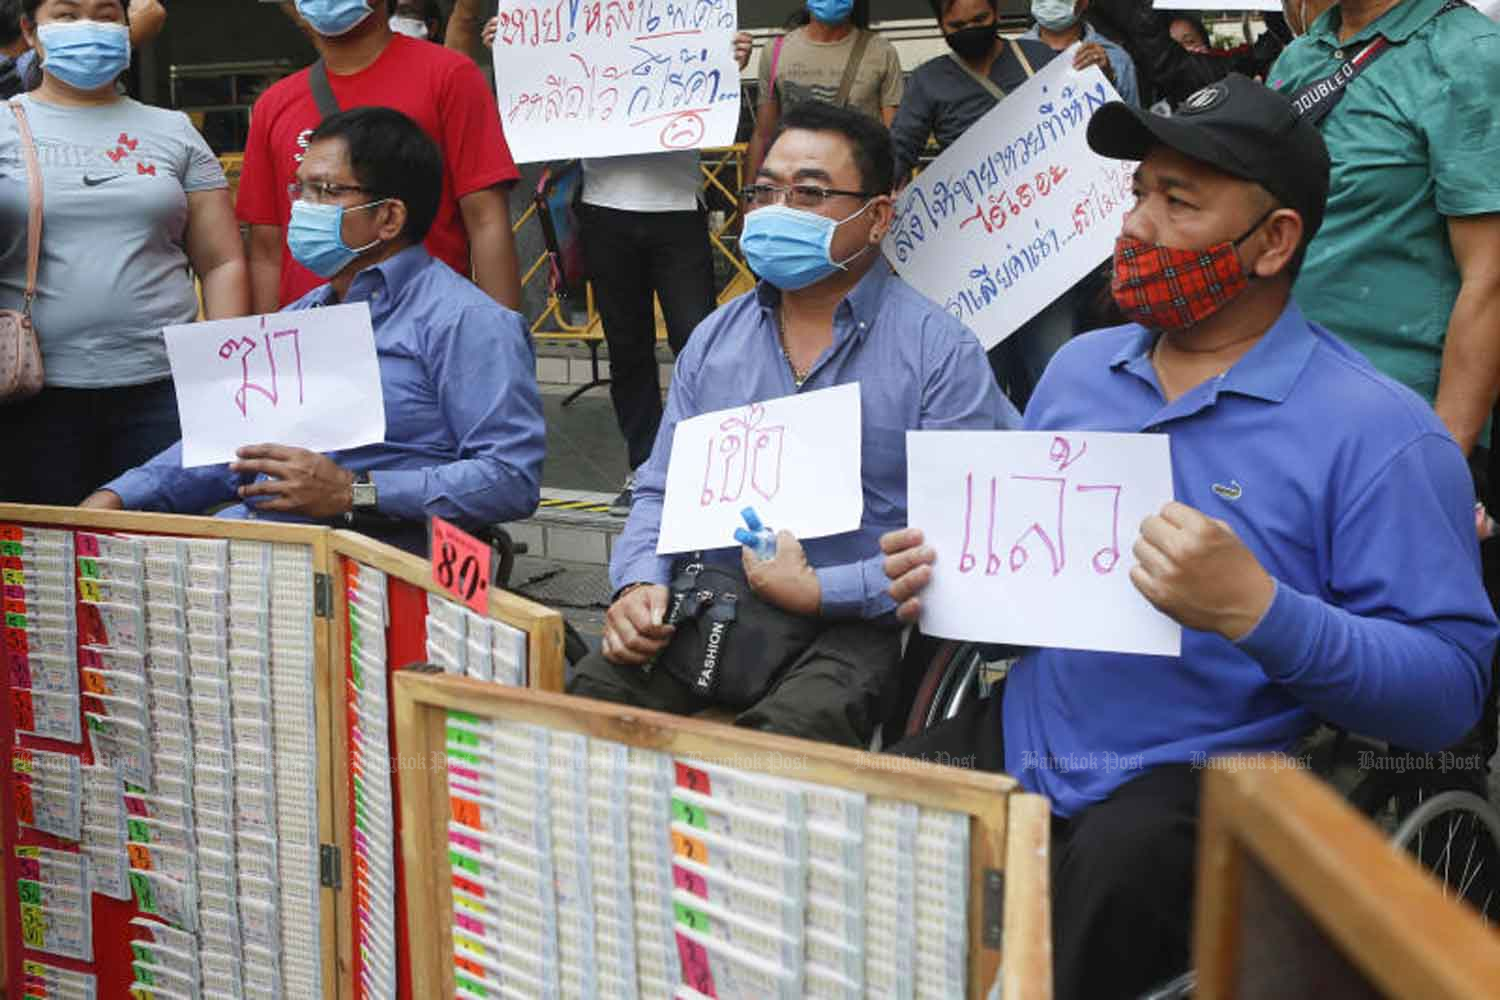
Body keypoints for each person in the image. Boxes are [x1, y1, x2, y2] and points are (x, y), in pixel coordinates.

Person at [881, 76, 1496, 999]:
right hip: (1029, 737)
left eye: (1178, 201)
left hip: (1211, 777)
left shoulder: (1380, 434)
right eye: (1136, 193)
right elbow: (1034, 598)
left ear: (1274, 241)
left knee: (1104, 896)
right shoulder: (1079, 373)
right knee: (859, 829)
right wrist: (951, 580)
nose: (1134, 226)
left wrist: (1260, 613)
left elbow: (1448, 694)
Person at [569, 102, 1017, 748]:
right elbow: (660, 490)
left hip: (857, 623)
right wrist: (639, 582)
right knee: (582, 719)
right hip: (712, 600)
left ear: (878, 218)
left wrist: (821, 589)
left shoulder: (939, 354)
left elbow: (963, 540)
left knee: (780, 758)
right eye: (764, 191)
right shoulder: (713, 343)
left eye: (808, 193)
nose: (777, 212)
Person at [84, 107, 545, 556]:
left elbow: (510, 478)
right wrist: (120, 495)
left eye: (326, 191)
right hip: (258, 553)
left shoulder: (466, 321)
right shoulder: (305, 316)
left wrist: (354, 491)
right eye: (300, 189)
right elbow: (230, 443)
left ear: (389, 217)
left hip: (381, 570)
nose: (304, 208)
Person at [478, 19, 755, 518]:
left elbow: (713, 92)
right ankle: (646, 467)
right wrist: (517, 43)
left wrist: (725, 55)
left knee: (697, 345)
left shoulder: (682, 23)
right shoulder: (584, 25)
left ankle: (703, 465)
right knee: (627, 352)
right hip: (604, 211)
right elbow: (540, 85)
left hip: (678, 209)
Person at [0, 0, 249, 507]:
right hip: (31, 394)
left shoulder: (174, 131)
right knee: (41, 563)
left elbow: (222, 261)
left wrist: (223, 376)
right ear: (30, 32)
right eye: (67, 15)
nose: (88, 28)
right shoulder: (5, 125)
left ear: (127, 28)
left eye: (105, 14)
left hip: (162, 390)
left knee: (162, 558)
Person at [239, 0, 521, 313]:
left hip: (425, 332)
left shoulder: (450, 76)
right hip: (310, 342)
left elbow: (486, 221)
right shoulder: (273, 105)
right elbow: (266, 251)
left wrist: (501, 339)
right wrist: (270, 348)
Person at [889, 0, 1082, 413]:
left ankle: (1061, 454)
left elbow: (1088, 118)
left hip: (1047, 246)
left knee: (1052, 365)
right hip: (975, 258)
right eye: (957, 24)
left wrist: (1099, 69)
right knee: (981, 373)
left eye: (979, 20)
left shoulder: (1041, 58)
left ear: (996, 14)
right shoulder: (928, 80)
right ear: (941, 26)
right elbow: (898, 151)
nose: (970, 29)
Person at [746, 0, 904, 180]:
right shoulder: (775, 51)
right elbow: (763, 134)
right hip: (795, 186)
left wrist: (893, 191)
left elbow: (894, 137)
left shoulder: (882, 52)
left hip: (857, 188)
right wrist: (748, 197)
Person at [1023, 0, 1140, 106]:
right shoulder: (1012, 55)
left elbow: (1131, 126)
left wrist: (1109, 81)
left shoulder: (1117, 60)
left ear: (1084, 2)